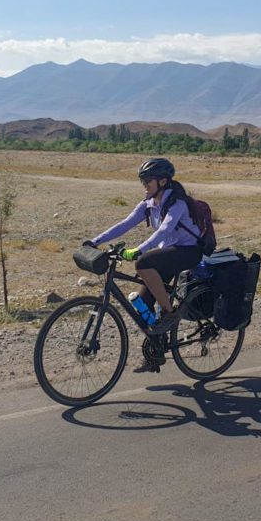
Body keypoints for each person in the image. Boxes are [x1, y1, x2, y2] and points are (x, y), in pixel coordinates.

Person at [84, 158, 203, 370]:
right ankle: (155, 355)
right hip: (169, 252)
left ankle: (169, 312)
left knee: (143, 262)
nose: (145, 185)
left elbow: (164, 231)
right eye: (143, 181)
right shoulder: (148, 204)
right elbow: (125, 223)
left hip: (189, 252)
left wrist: (140, 250)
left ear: (163, 181)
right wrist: (95, 241)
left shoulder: (177, 203)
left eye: (148, 180)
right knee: (141, 302)